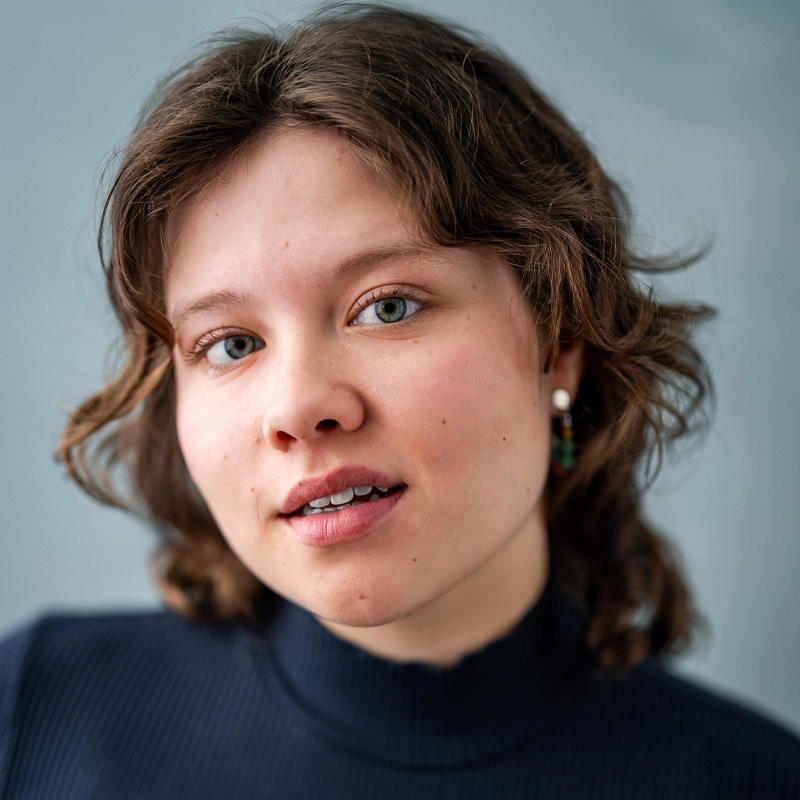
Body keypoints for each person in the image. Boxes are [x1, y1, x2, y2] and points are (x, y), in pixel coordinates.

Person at [1, 4, 798, 797]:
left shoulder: (753, 780)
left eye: (389, 305)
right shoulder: (30, 714)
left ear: (561, 341)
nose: (299, 406)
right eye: (231, 344)